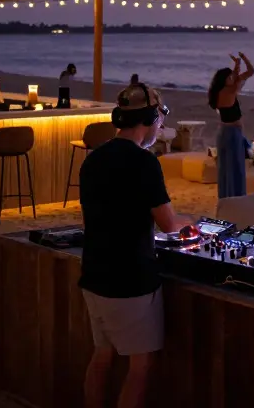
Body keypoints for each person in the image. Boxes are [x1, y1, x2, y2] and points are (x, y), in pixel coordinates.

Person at [79, 83, 189, 408]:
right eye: (160, 119)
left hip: (93, 273)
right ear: (151, 118)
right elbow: (168, 224)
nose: (160, 127)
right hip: (129, 279)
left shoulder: (94, 159)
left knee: (102, 356)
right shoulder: (144, 162)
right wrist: (192, 224)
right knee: (141, 366)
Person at [209, 53, 254, 198]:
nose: (233, 78)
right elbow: (251, 71)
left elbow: (234, 77)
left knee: (225, 170)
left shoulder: (219, 92)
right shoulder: (231, 90)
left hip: (223, 133)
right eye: (229, 77)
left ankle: (226, 198)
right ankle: (236, 199)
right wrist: (244, 58)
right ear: (225, 80)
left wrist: (237, 64)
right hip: (232, 134)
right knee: (236, 169)